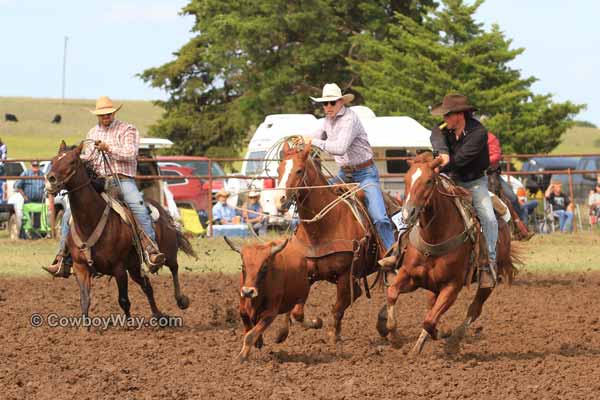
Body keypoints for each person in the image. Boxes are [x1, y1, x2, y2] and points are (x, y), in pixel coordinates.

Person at [43, 96, 165, 277]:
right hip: (99, 181)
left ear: (114, 112)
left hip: (123, 180)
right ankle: (62, 258)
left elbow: (131, 153)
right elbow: (89, 157)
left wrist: (109, 149)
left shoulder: (127, 130)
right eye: (101, 114)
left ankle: (151, 251)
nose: (105, 117)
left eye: (108, 113)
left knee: (137, 206)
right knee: (70, 212)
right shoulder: (92, 133)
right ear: (97, 115)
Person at [306, 83, 395, 254]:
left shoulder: (350, 119)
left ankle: (392, 253)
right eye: (325, 104)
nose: (328, 107)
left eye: (332, 102)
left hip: (365, 174)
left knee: (379, 217)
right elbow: (314, 138)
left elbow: (340, 148)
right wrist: (302, 143)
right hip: (344, 173)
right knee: (316, 198)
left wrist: (312, 142)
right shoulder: (325, 121)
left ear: (341, 102)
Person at [429, 94, 498, 288]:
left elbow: (459, 160)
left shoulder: (478, 133)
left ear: (459, 115)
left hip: (474, 182)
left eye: (447, 115)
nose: (443, 119)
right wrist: (441, 150)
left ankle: (489, 263)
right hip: (450, 179)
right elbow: (435, 134)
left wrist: (441, 166)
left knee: (488, 217)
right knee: (424, 205)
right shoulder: (444, 129)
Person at [487, 131, 534, 241]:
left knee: (512, 197)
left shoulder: (488, 137)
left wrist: (482, 162)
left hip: (492, 174)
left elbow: (496, 155)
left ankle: (522, 227)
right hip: (474, 175)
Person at [11, 160, 46, 235]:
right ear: (31, 166)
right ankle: (26, 234)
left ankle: (36, 234)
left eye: (37, 166)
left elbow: (46, 186)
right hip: (28, 200)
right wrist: (24, 196)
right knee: (27, 218)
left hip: (40, 200)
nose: (35, 168)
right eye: (34, 166)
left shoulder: (43, 174)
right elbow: (18, 186)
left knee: (38, 218)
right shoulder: (26, 174)